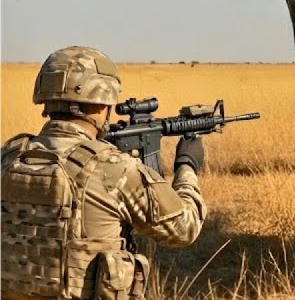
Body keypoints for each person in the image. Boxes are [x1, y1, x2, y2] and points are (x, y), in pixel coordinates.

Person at [1, 47, 207, 300]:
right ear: (101, 102)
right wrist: (187, 166)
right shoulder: (115, 169)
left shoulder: (9, 157)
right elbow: (184, 228)